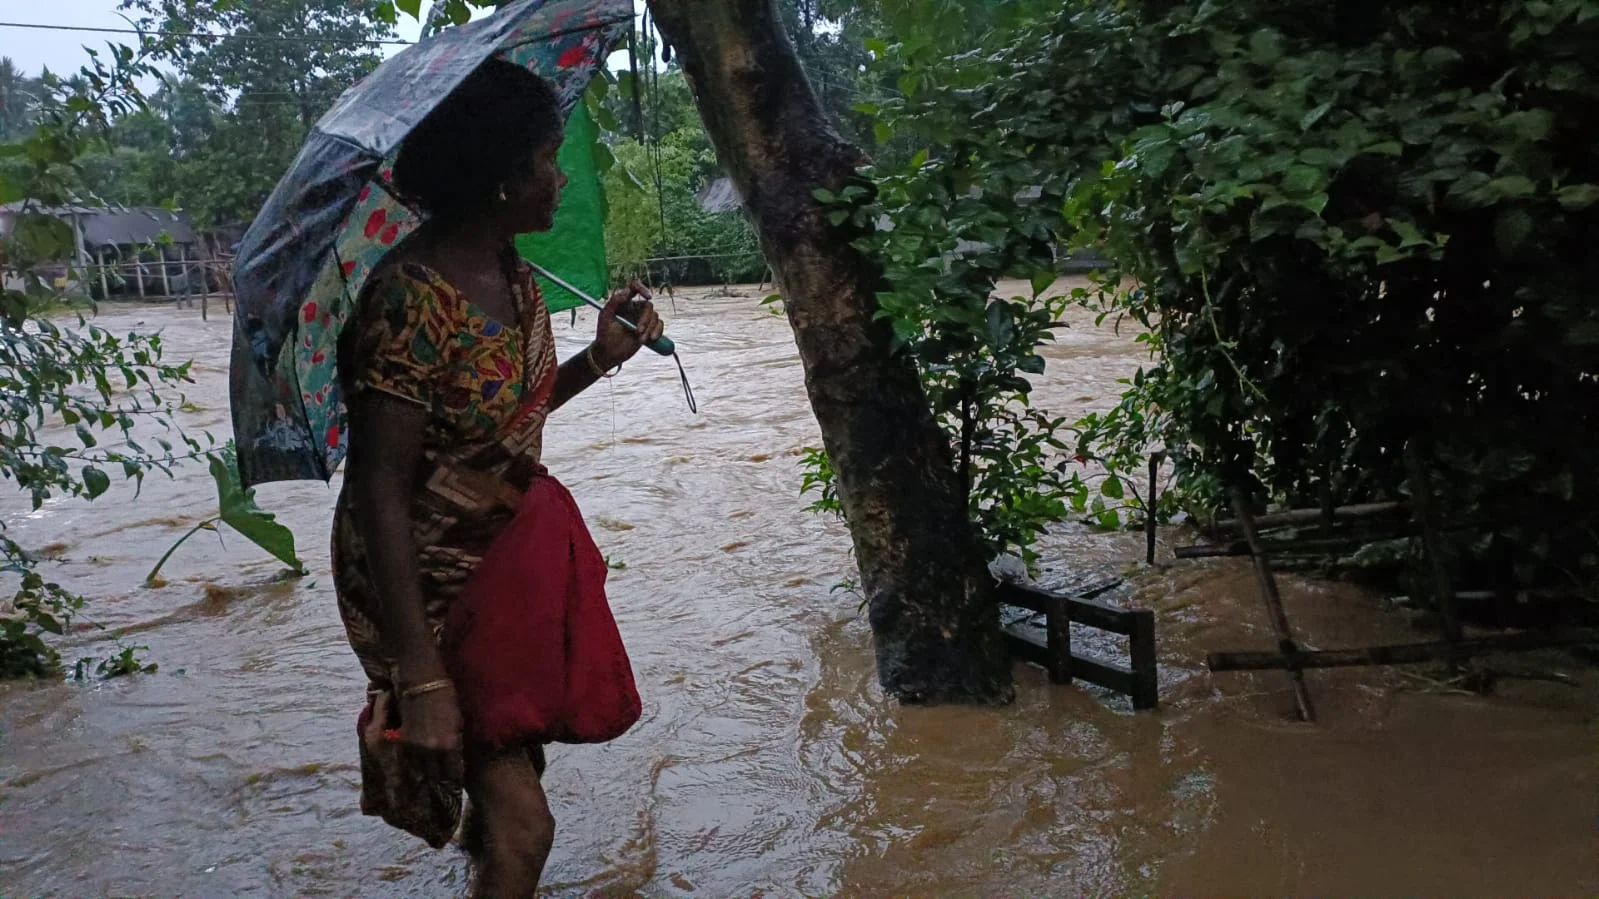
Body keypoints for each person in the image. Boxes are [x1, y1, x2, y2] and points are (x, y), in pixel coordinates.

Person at [331, 60, 663, 896]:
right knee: (527, 827)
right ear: (500, 178)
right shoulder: (409, 298)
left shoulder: (514, 277)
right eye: (546, 159)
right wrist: (422, 675)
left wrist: (597, 358)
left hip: (504, 568)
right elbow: (379, 489)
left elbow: (505, 415)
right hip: (432, 587)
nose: (558, 177)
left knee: (507, 776)